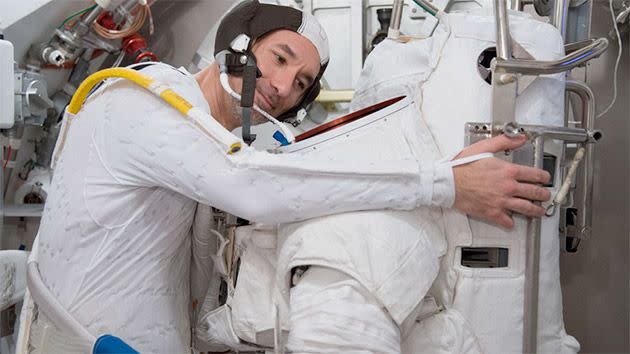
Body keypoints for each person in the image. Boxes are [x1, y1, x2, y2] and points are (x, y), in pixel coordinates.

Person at [30, 1, 550, 353]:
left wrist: (446, 165)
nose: (281, 87)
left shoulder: (219, 137)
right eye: (279, 58)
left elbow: (302, 173)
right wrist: (447, 186)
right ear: (237, 40)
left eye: (301, 82)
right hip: (84, 341)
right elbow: (253, 187)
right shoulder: (144, 100)